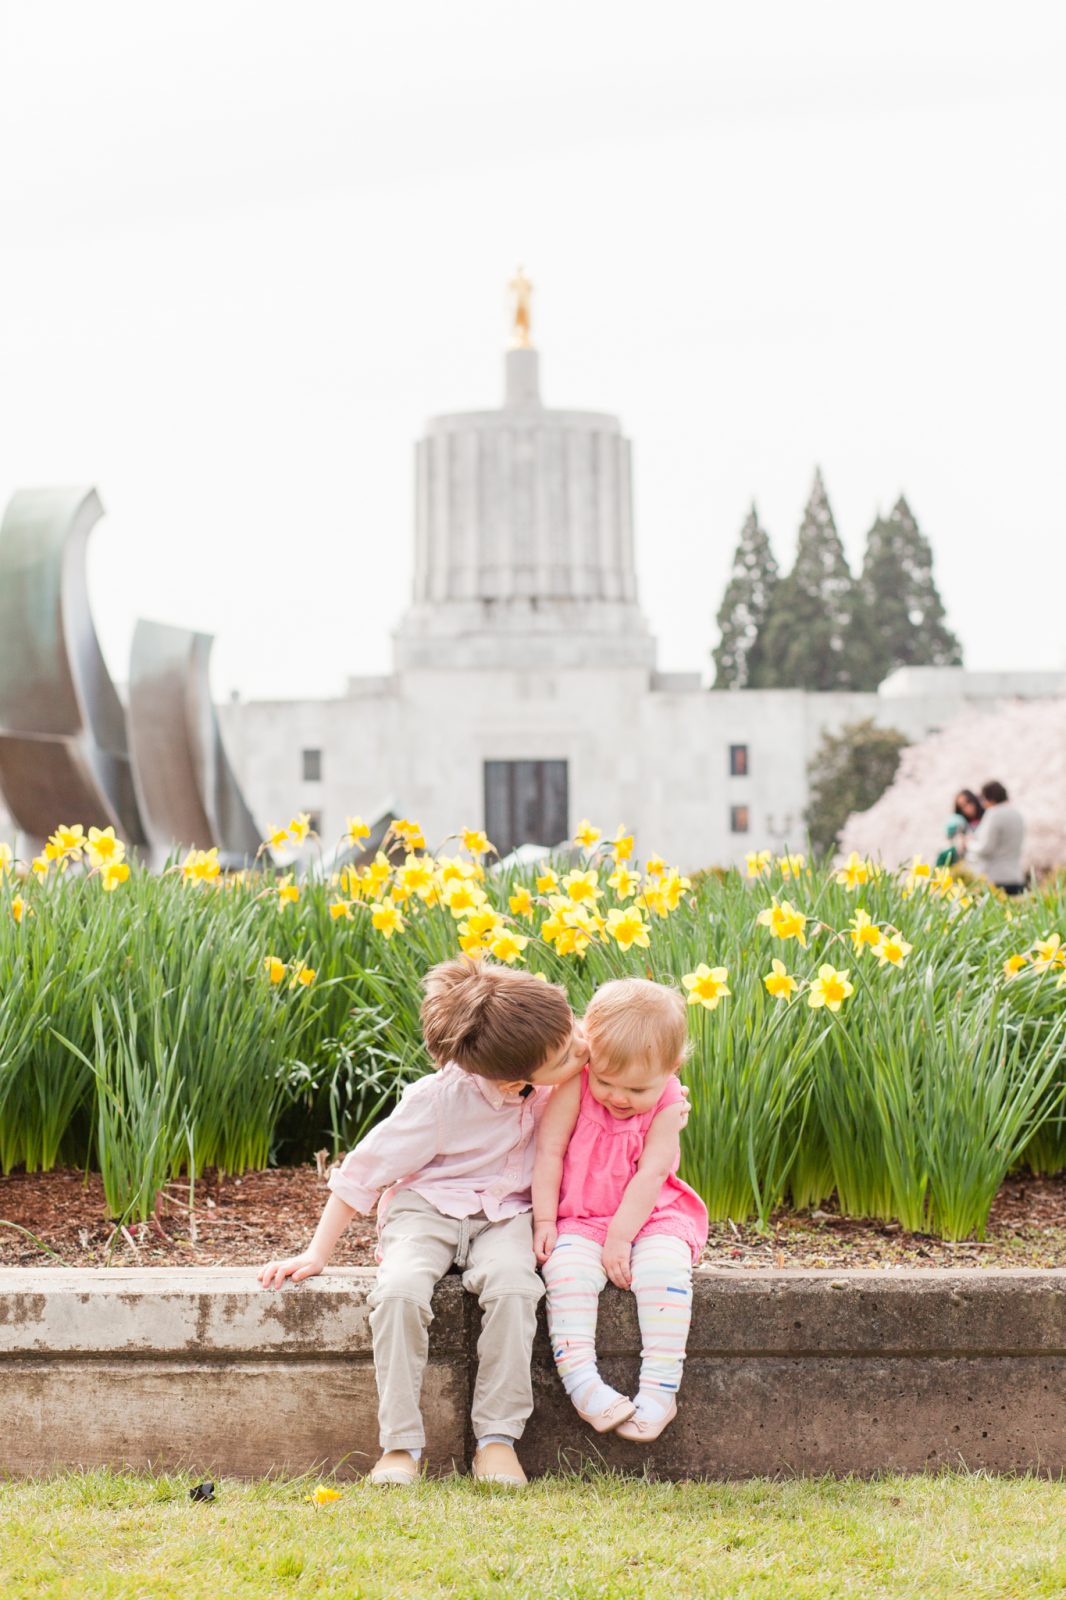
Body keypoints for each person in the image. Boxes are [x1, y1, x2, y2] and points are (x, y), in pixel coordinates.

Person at [258, 957, 588, 1490]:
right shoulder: (438, 1101)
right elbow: (363, 1172)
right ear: (512, 1080)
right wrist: (316, 1253)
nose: (583, 1048)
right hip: (427, 1208)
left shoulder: (560, 1060)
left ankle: (498, 1442)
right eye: (568, 1053)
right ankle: (399, 1447)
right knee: (399, 1292)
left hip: (508, 1214)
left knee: (514, 1287)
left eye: (574, 1032)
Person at [533, 977, 708, 1444]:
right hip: (579, 1215)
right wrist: (545, 1219)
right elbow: (549, 1149)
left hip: (650, 1214)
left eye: (635, 1087)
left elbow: (651, 1174)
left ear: (672, 1068)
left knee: (664, 1275)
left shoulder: (669, 1101)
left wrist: (621, 1238)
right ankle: (583, 1384)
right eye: (607, 1081)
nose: (618, 1097)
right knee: (566, 1276)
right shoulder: (579, 1083)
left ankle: (659, 1389)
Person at [968, 780, 1026, 895]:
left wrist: (969, 844)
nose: (982, 804)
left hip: (996, 878)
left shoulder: (993, 814)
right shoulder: (1017, 814)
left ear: (990, 798)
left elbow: (986, 848)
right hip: (1016, 877)